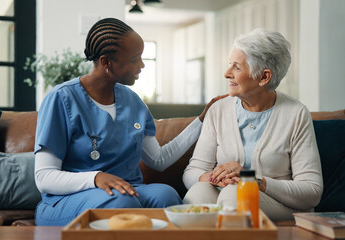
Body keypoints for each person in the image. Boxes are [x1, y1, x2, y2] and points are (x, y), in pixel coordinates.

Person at [34, 18, 224, 226]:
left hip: (127, 191)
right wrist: (95, 178)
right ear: (107, 62)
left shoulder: (132, 101)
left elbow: (158, 160)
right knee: (121, 201)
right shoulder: (61, 99)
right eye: (135, 59)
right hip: (68, 200)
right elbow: (44, 178)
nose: (142, 65)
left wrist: (201, 121)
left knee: (166, 195)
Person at [182, 29, 323, 221]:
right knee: (199, 192)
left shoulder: (296, 113)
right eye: (229, 64)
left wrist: (253, 180)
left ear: (264, 77)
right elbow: (193, 171)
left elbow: (312, 191)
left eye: (237, 67)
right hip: (227, 196)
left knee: (235, 194)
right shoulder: (218, 110)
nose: (226, 73)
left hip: (281, 206)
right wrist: (214, 177)